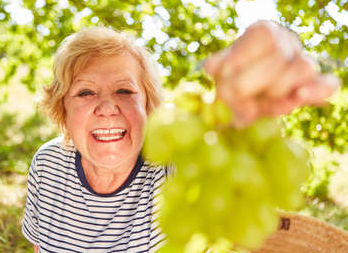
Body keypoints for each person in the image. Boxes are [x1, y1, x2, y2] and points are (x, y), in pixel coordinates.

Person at [21, 21, 340, 253]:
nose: (107, 107)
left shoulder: (174, 169)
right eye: (85, 92)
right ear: (62, 109)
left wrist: (246, 104)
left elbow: (230, 194)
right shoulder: (47, 163)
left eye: (124, 90)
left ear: (148, 106)